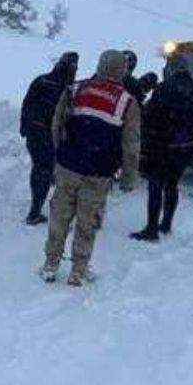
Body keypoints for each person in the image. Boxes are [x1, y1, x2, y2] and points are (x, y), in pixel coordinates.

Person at [40, 50, 141, 286]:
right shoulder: (127, 102)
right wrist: (128, 176)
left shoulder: (75, 90)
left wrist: (60, 154)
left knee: (59, 216)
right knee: (88, 222)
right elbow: (131, 144)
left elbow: (57, 124)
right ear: (122, 70)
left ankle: (50, 264)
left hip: (68, 166)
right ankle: (78, 270)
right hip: (99, 172)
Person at [130, 53, 193, 242]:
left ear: (171, 68)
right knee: (172, 185)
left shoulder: (164, 88)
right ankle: (166, 224)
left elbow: (151, 116)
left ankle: (151, 229)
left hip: (162, 145)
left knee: (155, 184)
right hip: (185, 146)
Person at [19, 52, 79, 225]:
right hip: (49, 134)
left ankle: (36, 207)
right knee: (45, 169)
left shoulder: (41, 80)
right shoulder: (67, 89)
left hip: (34, 132)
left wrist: (24, 127)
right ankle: (35, 211)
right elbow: (68, 115)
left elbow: (26, 104)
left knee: (40, 168)